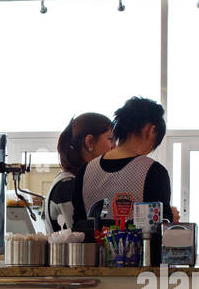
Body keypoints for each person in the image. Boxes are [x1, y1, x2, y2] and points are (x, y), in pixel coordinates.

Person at [74, 96, 176, 224]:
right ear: (151, 130)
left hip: (91, 244)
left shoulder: (85, 171)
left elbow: (78, 227)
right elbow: (158, 230)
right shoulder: (154, 171)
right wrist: (171, 219)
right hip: (138, 245)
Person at [43, 113, 114, 232]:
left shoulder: (80, 181)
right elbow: (80, 235)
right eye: (110, 139)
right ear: (90, 142)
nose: (114, 147)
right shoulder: (67, 185)